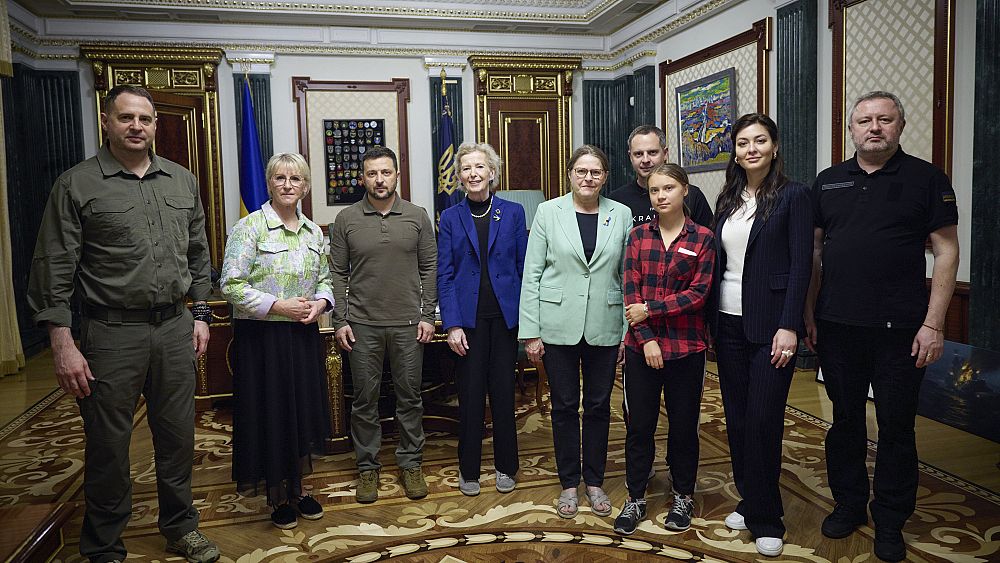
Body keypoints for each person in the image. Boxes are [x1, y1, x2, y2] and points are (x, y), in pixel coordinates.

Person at [26, 85, 220, 563]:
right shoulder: (76, 185)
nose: (137, 126)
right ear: (106, 123)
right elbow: (53, 266)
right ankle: (104, 543)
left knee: (178, 436)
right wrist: (62, 342)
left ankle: (180, 526)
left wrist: (199, 312)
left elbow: (198, 252)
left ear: (156, 125)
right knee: (108, 445)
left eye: (146, 119)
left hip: (174, 328)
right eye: (127, 117)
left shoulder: (181, 180)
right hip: (108, 333)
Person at [804, 91, 959, 562]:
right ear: (850, 129)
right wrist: (809, 313)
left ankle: (891, 519)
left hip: (901, 330)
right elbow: (813, 253)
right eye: (864, 120)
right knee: (844, 420)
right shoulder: (828, 181)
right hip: (837, 326)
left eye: (884, 120)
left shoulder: (926, 179)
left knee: (896, 426)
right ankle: (849, 504)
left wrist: (933, 325)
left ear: (900, 126)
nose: (874, 127)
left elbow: (947, 251)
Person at [710, 114, 812, 556]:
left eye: (760, 141)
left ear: (774, 147)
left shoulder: (794, 196)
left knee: (764, 420)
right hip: (727, 322)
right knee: (735, 418)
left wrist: (790, 325)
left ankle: (768, 518)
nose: (751, 148)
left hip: (772, 326)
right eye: (743, 142)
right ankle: (751, 501)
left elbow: (802, 265)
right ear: (735, 150)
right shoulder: (728, 198)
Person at [220, 153, 333, 529]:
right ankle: (277, 495)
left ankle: (299, 488)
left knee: (300, 410)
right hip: (262, 339)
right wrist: (277, 305)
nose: (288, 184)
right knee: (271, 411)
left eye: (296, 178)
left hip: (302, 336)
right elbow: (231, 285)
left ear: (305, 186)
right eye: (280, 178)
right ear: (269, 183)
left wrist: (321, 303)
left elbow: (326, 279)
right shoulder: (249, 227)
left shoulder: (314, 232)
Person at [519, 145, 632, 519]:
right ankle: (569, 484)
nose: (588, 178)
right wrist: (530, 332)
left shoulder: (622, 214)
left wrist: (627, 330)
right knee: (564, 406)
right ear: (569, 174)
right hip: (557, 324)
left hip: (606, 322)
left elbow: (627, 275)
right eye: (581, 171)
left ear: (605, 177)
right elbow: (532, 273)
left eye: (596, 172)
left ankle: (595, 481)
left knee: (599, 406)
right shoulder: (549, 212)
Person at [328, 146, 438, 504]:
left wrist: (426, 315)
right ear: (363, 178)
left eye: (386, 173)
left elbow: (430, 268)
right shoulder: (346, 219)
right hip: (362, 326)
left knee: (410, 398)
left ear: (396, 176)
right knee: (365, 400)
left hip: (408, 325)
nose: (380, 180)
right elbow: (338, 274)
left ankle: (411, 463)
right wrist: (341, 320)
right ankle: (367, 468)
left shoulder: (418, 216)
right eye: (372, 174)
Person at [613, 163, 716, 536]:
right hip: (642, 347)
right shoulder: (638, 236)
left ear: (684, 190)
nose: (661, 196)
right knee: (639, 426)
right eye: (655, 190)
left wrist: (652, 310)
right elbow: (631, 292)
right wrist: (648, 338)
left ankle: (683, 495)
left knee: (684, 426)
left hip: (687, 348)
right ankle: (636, 496)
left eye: (668, 188)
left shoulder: (703, 237)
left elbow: (699, 294)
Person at [437, 142, 528, 496]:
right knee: (471, 396)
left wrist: (528, 321)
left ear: (492, 172)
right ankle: (469, 469)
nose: (473, 174)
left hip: (505, 319)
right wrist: (453, 324)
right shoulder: (450, 218)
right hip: (468, 322)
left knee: (504, 395)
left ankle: (507, 467)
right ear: (459, 177)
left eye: (480, 167)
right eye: (466, 168)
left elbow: (524, 268)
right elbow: (444, 275)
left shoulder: (514, 212)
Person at [608, 125, 713, 229]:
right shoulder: (616, 200)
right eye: (638, 154)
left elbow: (708, 240)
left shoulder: (690, 195)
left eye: (652, 152)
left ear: (665, 153)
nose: (645, 160)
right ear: (630, 157)